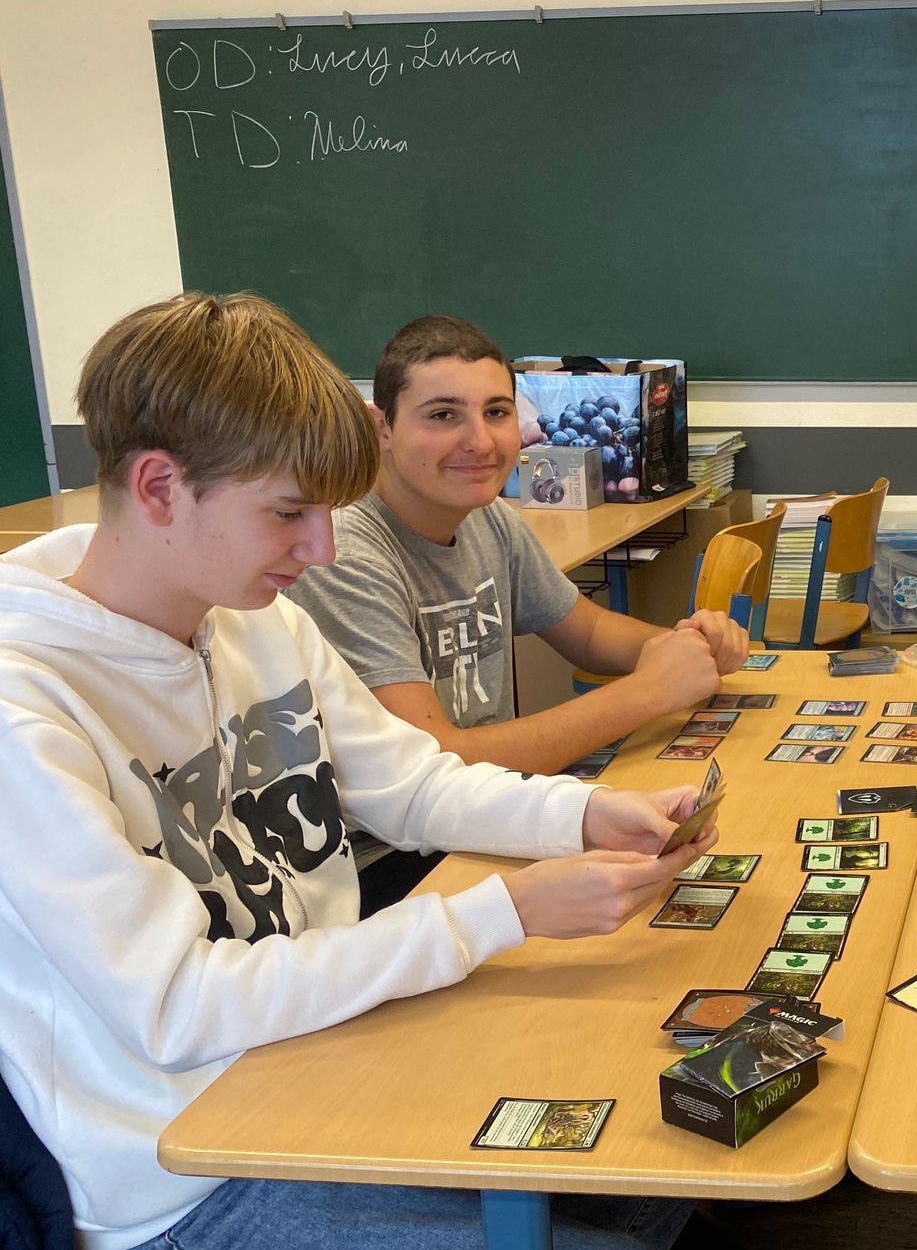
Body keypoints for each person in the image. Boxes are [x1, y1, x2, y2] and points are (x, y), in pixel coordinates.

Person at [0, 293, 719, 1250]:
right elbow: (178, 1007)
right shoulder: (25, 709)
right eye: (289, 514)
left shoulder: (249, 613)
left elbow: (409, 783)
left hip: (321, 1053)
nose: (322, 551)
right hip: (187, 1183)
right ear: (160, 487)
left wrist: (585, 814)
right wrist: (501, 913)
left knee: (657, 1136)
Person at [285, 314, 747, 905]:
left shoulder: (488, 516)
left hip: (490, 815)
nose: (480, 441)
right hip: (386, 864)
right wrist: (649, 692)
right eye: (443, 415)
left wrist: (682, 644)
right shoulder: (344, 551)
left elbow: (587, 630)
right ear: (381, 428)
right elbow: (435, 764)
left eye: (497, 412)